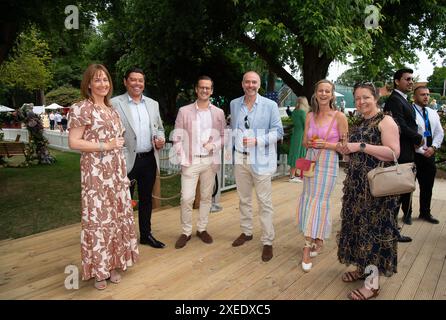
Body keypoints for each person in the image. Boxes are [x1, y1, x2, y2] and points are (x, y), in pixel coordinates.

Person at [68, 64, 138, 290]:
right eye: (97, 80)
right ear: (88, 83)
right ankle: (99, 271)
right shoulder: (81, 108)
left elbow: (119, 143)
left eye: (105, 80)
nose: (102, 84)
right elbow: (74, 142)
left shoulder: (112, 110)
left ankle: (114, 264)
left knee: (116, 218)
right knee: (98, 221)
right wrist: (104, 145)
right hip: (95, 174)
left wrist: (122, 173)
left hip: (116, 173)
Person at [337, 82, 400, 300]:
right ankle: (362, 267)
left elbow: (393, 153)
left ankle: (372, 284)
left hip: (377, 190)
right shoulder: (360, 122)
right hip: (356, 187)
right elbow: (353, 152)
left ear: (376, 98)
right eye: (357, 98)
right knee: (357, 228)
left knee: (373, 232)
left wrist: (361, 146)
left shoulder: (386, 121)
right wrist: (346, 151)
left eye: (366, 97)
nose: (361, 102)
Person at [230, 71, 284, 262]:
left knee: (264, 202)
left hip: (261, 159)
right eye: (247, 82)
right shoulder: (234, 103)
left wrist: (257, 141)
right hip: (240, 158)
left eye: (254, 82)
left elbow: (278, 132)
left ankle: (268, 241)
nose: (250, 85)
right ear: (242, 84)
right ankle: (246, 232)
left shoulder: (270, 105)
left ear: (259, 85)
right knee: (243, 199)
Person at [111, 67, 166, 249]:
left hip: (149, 158)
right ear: (125, 81)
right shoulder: (114, 103)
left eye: (140, 80)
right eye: (133, 80)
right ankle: (122, 239)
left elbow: (158, 127)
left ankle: (146, 235)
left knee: (146, 199)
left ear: (144, 83)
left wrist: (160, 139)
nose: (137, 83)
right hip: (126, 160)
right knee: (123, 200)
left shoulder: (152, 104)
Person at [297, 79, 348, 272]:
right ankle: (317, 238)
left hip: (328, 163)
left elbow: (345, 147)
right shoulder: (310, 115)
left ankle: (307, 246)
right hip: (311, 161)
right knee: (310, 199)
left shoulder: (339, 116)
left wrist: (325, 145)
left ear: (332, 95)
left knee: (319, 201)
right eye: (321, 90)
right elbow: (303, 142)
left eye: (328, 91)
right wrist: (310, 143)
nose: (324, 94)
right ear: (316, 93)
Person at [172, 76, 226, 249]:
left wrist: (214, 145)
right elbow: (177, 137)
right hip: (191, 161)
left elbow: (224, 137)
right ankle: (186, 231)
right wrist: (181, 156)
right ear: (196, 89)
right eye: (202, 87)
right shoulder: (184, 111)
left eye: (208, 88)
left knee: (206, 197)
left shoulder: (218, 113)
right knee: (186, 198)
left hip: (210, 162)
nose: (204, 90)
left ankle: (202, 229)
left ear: (212, 90)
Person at [383, 68, 423, 242]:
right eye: (407, 79)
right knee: (395, 195)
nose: (411, 82)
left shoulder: (402, 99)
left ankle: (392, 229)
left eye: (412, 79)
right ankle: (390, 231)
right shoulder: (394, 100)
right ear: (397, 81)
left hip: (407, 151)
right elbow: (398, 124)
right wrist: (417, 137)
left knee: (399, 194)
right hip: (399, 153)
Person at [412, 86, 443, 224]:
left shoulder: (432, 112)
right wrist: (421, 150)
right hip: (414, 155)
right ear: (415, 97)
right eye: (422, 94)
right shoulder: (410, 111)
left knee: (427, 186)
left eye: (427, 94)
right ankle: (407, 214)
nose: (426, 97)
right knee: (407, 187)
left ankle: (425, 213)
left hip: (429, 155)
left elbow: (439, 132)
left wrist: (433, 147)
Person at [287, 96, 310, 183]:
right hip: (301, 135)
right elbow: (305, 126)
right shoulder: (302, 112)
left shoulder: (295, 112)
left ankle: (295, 173)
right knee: (298, 154)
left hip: (295, 134)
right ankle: (292, 176)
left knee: (295, 153)